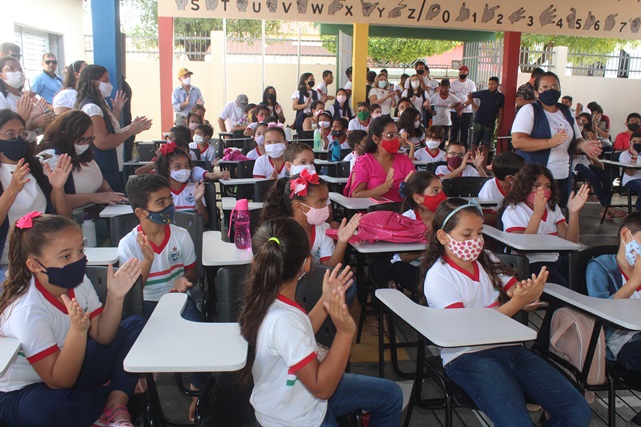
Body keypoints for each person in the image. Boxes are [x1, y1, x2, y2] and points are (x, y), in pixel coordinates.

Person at [422, 198, 591, 427]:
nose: (476, 241)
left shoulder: (487, 260)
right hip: (468, 356)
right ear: (443, 237)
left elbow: (514, 291)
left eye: (480, 233)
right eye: (467, 235)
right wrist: (517, 303)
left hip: (510, 347)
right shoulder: (439, 277)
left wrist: (528, 297)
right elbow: (464, 332)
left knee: (576, 411)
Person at [239, 217, 402, 426]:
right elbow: (322, 388)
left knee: (390, 395)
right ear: (307, 264)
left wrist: (326, 300)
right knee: (390, 397)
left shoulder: (267, 300)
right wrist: (345, 332)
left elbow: (299, 332)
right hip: (294, 419)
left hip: (296, 401)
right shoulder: (283, 320)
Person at [0, 213, 145, 427]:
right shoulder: (28, 310)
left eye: (80, 251)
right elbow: (58, 381)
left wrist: (115, 296)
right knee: (51, 411)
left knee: (136, 325)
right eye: (66, 256)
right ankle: (118, 388)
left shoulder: (79, 282)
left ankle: (115, 400)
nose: (79, 260)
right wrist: (77, 332)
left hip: (71, 368)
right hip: (27, 390)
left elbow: (103, 336)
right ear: (35, 265)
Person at [118, 173, 207, 420]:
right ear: (141, 212)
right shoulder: (128, 244)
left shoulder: (180, 235)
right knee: (133, 341)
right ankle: (140, 396)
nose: (169, 206)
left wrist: (184, 281)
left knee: (197, 331)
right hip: (144, 301)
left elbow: (192, 271)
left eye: (169, 200)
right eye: (160, 203)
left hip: (177, 299)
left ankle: (198, 389)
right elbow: (134, 290)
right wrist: (147, 260)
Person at [511, 71, 602, 207]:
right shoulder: (529, 110)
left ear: (559, 89)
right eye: (545, 87)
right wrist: (549, 142)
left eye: (554, 87)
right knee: (535, 217)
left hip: (562, 176)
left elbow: (576, 141)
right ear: (536, 93)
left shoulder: (566, 112)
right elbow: (518, 141)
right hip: (535, 178)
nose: (550, 90)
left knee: (558, 217)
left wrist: (584, 146)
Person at [0, 109, 72, 274]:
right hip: (9, 265)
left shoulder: (36, 167)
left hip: (46, 257)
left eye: (22, 134)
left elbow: (63, 216)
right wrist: (12, 190)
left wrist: (58, 188)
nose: (17, 139)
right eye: (10, 134)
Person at [586, 212, 641, 427]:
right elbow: (601, 313)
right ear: (626, 235)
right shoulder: (600, 268)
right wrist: (633, 281)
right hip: (622, 341)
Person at [501, 163, 589, 286]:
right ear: (525, 186)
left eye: (547, 186)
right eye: (537, 186)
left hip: (554, 259)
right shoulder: (514, 210)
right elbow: (522, 249)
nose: (543, 190)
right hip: (529, 263)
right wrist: (537, 214)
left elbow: (571, 242)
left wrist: (573, 213)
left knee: (586, 273)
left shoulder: (552, 208)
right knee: (561, 285)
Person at [76, 65, 152, 193]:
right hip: (103, 165)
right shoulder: (91, 108)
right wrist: (130, 131)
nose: (109, 84)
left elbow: (111, 130)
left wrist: (117, 112)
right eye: (105, 80)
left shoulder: (101, 104)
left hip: (113, 164)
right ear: (94, 83)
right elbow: (103, 141)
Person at [261, 170, 361, 267]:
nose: (326, 207)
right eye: (320, 202)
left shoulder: (323, 229)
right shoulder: (282, 232)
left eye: (326, 201)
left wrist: (341, 242)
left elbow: (329, 268)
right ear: (298, 207)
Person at [39, 110, 127, 211]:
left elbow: (97, 179)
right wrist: (93, 197)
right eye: (80, 140)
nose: (85, 144)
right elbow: (53, 199)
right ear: (64, 136)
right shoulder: (49, 157)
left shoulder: (84, 153)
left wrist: (110, 193)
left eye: (89, 139)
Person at [389, 171, 444, 294]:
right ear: (418, 198)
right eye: (435, 191)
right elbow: (404, 256)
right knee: (401, 270)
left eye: (442, 190)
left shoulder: (446, 218)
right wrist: (432, 247)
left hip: (436, 266)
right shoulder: (406, 219)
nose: (441, 196)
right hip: (410, 266)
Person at [346, 116, 415, 202]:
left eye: (397, 135)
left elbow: (416, 191)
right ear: (376, 139)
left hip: (402, 212)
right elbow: (356, 195)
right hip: (373, 212)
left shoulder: (405, 161)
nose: (395, 139)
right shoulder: (364, 162)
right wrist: (384, 188)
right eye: (390, 135)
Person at [153, 144, 208, 224]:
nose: (184, 170)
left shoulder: (195, 188)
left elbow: (204, 221)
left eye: (186, 166)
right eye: (178, 166)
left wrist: (198, 200)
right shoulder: (159, 191)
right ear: (167, 170)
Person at [467, 76, 504, 168]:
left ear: (497, 85)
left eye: (493, 84)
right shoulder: (483, 93)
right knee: (475, 143)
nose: (491, 86)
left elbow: (500, 112)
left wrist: (498, 126)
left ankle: (483, 166)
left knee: (486, 145)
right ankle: (474, 164)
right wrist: (475, 106)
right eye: (490, 84)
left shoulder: (501, 97)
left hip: (490, 123)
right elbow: (469, 95)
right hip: (478, 121)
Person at [572, 151, 619, 220]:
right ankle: (607, 206)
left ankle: (605, 209)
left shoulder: (584, 140)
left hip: (586, 162)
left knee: (606, 177)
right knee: (594, 179)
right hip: (575, 164)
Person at [428, 79, 463, 144]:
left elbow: (459, 103)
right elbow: (427, 104)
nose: (444, 89)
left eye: (446, 87)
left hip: (446, 122)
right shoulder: (435, 96)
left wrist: (453, 107)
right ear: (440, 87)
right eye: (443, 87)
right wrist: (431, 111)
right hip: (436, 121)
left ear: (449, 88)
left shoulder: (451, 97)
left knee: (443, 139)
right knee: (435, 137)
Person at [449, 65, 476, 146]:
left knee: (464, 132)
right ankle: (452, 148)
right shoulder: (454, 83)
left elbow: (472, 98)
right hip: (454, 110)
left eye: (464, 72)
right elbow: (451, 97)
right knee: (454, 131)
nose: (462, 74)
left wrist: (462, 107)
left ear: (467, 73)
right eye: (460, 72)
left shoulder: (471, 83)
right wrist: (457, 109)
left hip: (467, 111)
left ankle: (463, 149)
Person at [619, 130, 641, 212]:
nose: (637, 144)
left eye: (640, 142)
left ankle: (637, 210)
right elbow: (630, 173)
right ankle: (638, 217)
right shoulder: (624, 155)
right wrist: (634, 156)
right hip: (630, 179)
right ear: (630, 142)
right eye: (634, 141)